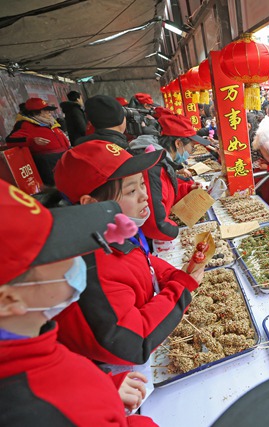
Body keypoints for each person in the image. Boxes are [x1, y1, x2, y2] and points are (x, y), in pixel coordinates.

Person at [0, 179, 156, 426]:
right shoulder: (39, 407)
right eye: (60, 252)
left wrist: (105, 387)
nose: (77, 259)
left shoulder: (32, 339)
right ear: (8, 300)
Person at [52, 140, 202, 365]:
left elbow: (140, 260)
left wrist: (177, 276)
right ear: (90, 204)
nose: (145, 196)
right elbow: (133, 342)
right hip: (119, 377)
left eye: (142, 184)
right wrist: (180, 290)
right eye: (131, 191)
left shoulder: (110, 234)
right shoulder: (89, 268)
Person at [129, 114, 210, 241]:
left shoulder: (162, 162)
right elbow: (156, 224)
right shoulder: (153, 168)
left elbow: (164, 193)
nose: (190, 152)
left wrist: (187, 190)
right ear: (178, 143)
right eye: (192, 148)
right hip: (151, 239)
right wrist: (177, 231)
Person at [6, 97, 70, 186]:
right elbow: (10, 140)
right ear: (36, 112)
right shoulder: (25, 124)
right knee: (58, 187)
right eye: (46, 110)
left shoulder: (49, 122)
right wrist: (32, 141)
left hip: (63, 157)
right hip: (48, 163)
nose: (49, 113)